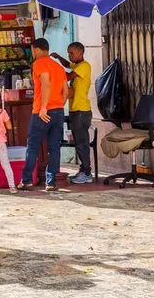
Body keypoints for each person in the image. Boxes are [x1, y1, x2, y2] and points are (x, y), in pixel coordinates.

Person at [19, 38, 70, 192]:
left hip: (42, 112)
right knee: (54, 147)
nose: (33, 53)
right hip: (58, 110)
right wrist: (59, 105)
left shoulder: (39, 63)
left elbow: (46, 84)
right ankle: (51, 182)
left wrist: (43, 108)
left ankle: (26, 180)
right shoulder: (59, 67)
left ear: (38, 50)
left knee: (33, 146)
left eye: (33, 50)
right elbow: (66, 91)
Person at [52, 43, 93, 184]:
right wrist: (58, 58)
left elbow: (68, 76)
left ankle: (87, 172)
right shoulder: (77, 64)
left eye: (72, 53)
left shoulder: (84, 66)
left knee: (82, 143)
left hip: (82, 111)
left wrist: (52, 69)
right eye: (68, 53)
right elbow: (68, 64)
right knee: (79, 142)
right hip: (76, 110)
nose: (70, 56)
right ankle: (84, 170)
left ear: (80, 53)